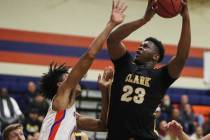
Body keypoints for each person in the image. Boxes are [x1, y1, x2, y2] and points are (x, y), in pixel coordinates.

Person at [39, 1, 127, 139]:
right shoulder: (60, 97)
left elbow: (102, 125)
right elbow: (90, 55)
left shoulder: (70, 114)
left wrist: (104, 91)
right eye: (68, 77)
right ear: (60, 85)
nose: (75, 78)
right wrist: (111, 24)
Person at [106, 0, 191, 139]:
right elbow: (112, 40)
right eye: (140, 45)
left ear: (156, 56)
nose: (140, 47)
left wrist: (186, 18)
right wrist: (144, 19)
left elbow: (181, 57)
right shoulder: (125, 64)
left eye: (145, 46)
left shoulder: (162, 76)